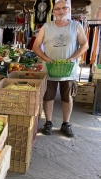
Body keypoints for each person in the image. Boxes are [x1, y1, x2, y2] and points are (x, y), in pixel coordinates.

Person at [32, 0, 89, 137]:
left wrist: (72, 58)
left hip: (68, 70)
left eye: (64, 8)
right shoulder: (46, 26)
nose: (61, 11)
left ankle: (66, 123)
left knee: (67, 97)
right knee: (48, 97)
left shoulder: (76, 26)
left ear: (69, 10)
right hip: (50, 69)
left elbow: (84, 45)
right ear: (53, 12)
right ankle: (48, 122)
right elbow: (35, 46)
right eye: (57, 9)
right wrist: (47, 60)